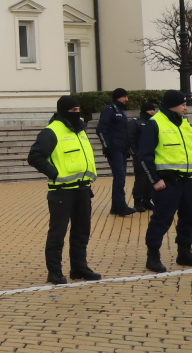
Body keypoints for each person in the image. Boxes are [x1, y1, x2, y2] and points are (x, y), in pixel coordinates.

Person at [27, 94, 100, 284]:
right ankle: (55, 271)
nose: (77, 113)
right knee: (57, 234)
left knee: (81, 232)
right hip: (62, 191)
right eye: (73, 111)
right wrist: (55, 173)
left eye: (78, 110)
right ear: (63, 111)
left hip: (83, 189)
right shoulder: (51, 132)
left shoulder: (80, 130)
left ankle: (79, 267)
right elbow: (34, 157)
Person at [137, 90, 192, 273]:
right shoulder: (155, 123)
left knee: (189, 217)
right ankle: (153, 255)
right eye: (183, 104)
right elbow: (144, 156)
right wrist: (154, 180)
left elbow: (191, 149)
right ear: (173, 105)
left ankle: (184, 252)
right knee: (162, 219)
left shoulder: (184, 122)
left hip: (187, 180)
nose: (185, 107)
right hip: (167, 182)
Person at [96, 90, 138, 217]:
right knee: (120, 176)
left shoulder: (120, 112)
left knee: (121, 177)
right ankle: (120, 206)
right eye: (124, 96)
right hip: (114, 149)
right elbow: (101, 129)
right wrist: (107, 146)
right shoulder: (110, 110)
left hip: (122, 149)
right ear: (118, 97)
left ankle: (116, 206)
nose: (127, 99)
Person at [129, 96, 157, 210]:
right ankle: (138, 201)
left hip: (151, 155)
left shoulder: (154, 123)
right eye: (150, 110)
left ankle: (147, 199)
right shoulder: (136, 123)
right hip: (139, 156)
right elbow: (130, 139)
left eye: (153, 109)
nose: (152, 112)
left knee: (151, 178)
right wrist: (134, 154)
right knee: (141, 179)